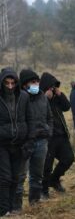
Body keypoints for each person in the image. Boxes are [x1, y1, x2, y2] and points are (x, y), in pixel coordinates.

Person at [16, 69, 53, 207]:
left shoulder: (43, 97)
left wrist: (48, 131)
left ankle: (34, 203)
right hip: (25, 142)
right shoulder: (19, 98)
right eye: (33, 82)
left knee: (37, 175)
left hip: (42, 141)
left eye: (37, 81)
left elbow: (49, 117)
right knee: (20, 176)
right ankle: (16, 207)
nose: (36, 84)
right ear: (25, 84)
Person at [0, 68, 31, 216]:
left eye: (13, 83)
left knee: (16, 178)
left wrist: (29, 141)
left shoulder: (24, 97)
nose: (10, 86)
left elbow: (29, 119)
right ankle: (3, 209)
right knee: (5, 177)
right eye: (7, 83)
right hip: (2, 144)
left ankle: (13, 208)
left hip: (20, 144)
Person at [40, 72, 75, 198]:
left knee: (69, 158)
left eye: (54, 87)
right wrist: (45, 98)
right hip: (48, 137)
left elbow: (67, 107)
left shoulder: (57, 97)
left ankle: (54, 180)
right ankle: (43, 190)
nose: (53, 89)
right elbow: (38, 113)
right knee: (47, 165)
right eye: (51, 87)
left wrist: (60, 94)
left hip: (61, 135)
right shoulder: (39, 98)